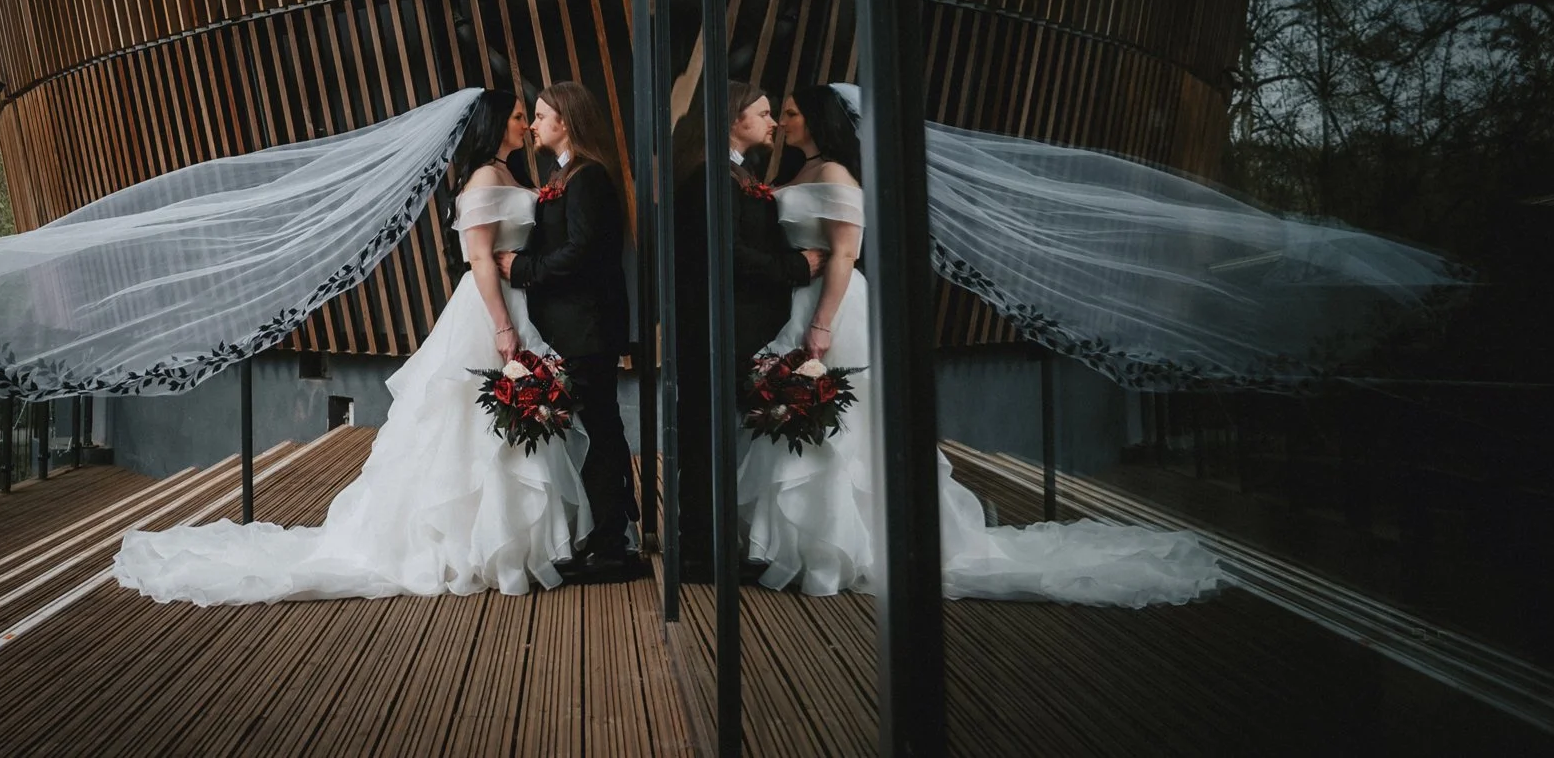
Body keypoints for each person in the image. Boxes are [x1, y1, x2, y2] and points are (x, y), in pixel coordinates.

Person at [736, 84, 1229, 604]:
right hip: (797, 300)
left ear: (817, 119)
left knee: (843, 429)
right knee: (799, 417)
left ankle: (842, 547)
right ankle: (802, 545)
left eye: (790, 113)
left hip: (830, 307)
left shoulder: (835, 174)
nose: (783, 121)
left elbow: (843, 254)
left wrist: (822, 325)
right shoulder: (798, 173)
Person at [111, 89, 593, 602]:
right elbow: (478, 260)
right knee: (469, 426)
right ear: (496, 124)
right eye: (520, 117)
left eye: (529, 116)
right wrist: (502, 328)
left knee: (500, 428)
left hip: (517, 301)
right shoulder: (482, 180)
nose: (526, 124)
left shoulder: (511, 174)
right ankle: (476, 544)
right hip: (490, 310)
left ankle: (516, 541)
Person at [670, 82, 823, 583]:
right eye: (762, 112)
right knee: (705, 437)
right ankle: (700, 553)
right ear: (735, 119)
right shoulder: (711, 177)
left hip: (738, 329)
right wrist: (796, 267)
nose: (773, 121)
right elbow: (727, 254)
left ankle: (719, 543)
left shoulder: (739, 173)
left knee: (722, 434)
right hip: (715, 330)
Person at [497, 80, 640, 582]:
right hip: (575, 327)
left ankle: (613, 549)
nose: (533, 124)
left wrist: (522, 268)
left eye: (540, 115)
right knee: (598, 428)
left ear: (566, 122)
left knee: (598, 431)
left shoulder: (588, 178)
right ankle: (611, 535)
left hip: (587, 327)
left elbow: (583, 251)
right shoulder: (568, 175)